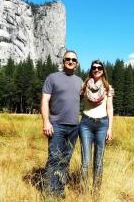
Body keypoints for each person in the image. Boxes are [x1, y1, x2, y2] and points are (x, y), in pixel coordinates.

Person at [41, 50, 83, 198]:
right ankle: (49, 194)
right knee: (54, 158)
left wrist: (109, 92)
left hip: (74, 127)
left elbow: (94, 97)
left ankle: (59, 192)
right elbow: (45, 101)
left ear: (76, 64)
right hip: (56, 125)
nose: (70, 61)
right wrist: (46, 122)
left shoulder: (80, 81)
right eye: (68, 59)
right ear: (63, 61)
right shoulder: (52, 78)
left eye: (73, 60)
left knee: (65, 160)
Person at [79, 60, 114, 192]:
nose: (97, 69)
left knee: (98, 162)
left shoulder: (107, 87)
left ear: (103, 70)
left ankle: (95, 192)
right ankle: (83, 191)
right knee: (85, 162)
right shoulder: (84, 86)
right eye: (94, 67)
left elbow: (109, 108)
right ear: (91, 69)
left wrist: (110, 128)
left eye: (99, 67)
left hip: (102, 125)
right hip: (86, 124)